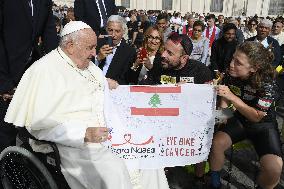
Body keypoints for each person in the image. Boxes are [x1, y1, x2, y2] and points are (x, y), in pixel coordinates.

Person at [209, 41, 283, 189]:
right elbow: (224, 95)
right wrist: (222, 117)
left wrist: (232, 97)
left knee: (274, 168)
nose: (231, 64)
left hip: (263, 125)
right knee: (216, 143)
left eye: (238, 62)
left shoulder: (267, 83)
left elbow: (256, 116)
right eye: (232, 58)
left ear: (254, 68)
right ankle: (214, 183)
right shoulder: (231, 73)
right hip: (240, 119)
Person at [0, 0, 58, 153]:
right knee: (5, 133)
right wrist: (4, 82)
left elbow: (49, 33)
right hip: (6, 70)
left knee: (29, 132)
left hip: (30, 73)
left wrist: (60, 68)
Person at [95, 15, 136, 86]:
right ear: (106, 29)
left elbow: (127, 78)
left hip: (114, 90)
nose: (113, 34)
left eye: (117, 31)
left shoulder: (129, 51)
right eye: (110, 30)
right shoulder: (97, 44)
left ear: (123, 32)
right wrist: (97, 58)